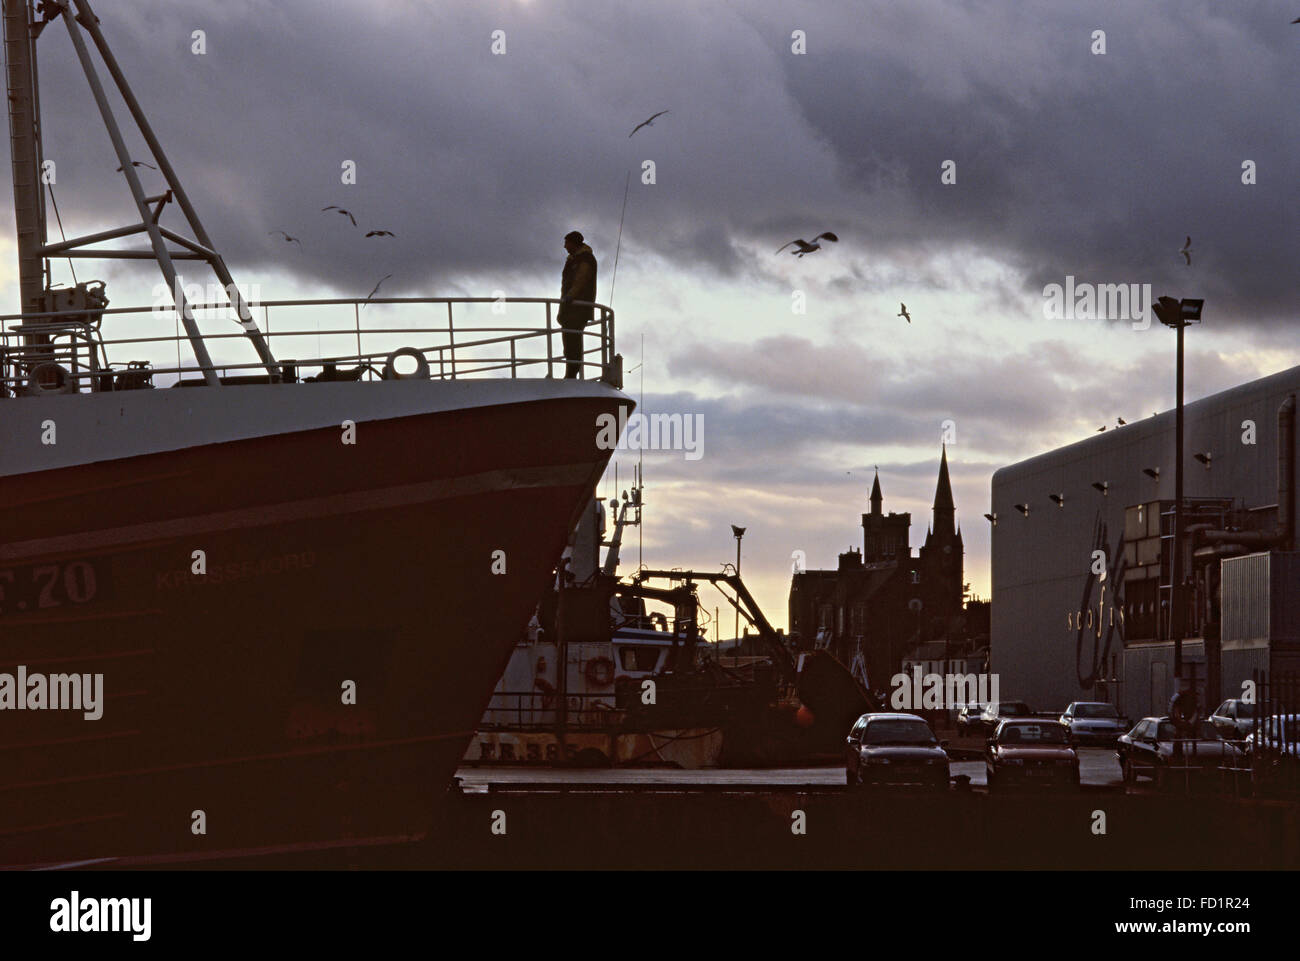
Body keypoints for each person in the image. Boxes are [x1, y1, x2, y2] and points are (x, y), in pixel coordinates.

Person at [558, 230, 597, 378]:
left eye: (566, 243)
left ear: (574, 243)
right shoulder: (574, 259)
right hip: (570, 309)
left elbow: (581, 279)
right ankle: (571, 372)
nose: (564, 246)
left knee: (573, 341)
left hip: (577, 309)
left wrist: (570, 297)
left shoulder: (585, 259)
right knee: (569, 341)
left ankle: (572, 373)